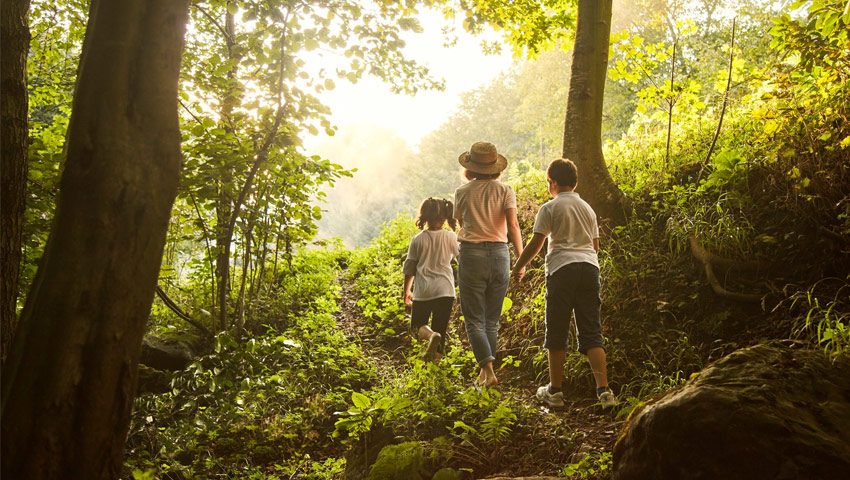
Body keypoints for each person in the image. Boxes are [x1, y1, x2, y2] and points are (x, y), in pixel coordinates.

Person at [511, 158, 618, 409]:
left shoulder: (550, 208)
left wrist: (519, 266)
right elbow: (595, 246)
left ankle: (556, 392)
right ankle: (604, 393)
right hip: (590, 269)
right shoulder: (588, 209)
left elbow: (537, 243)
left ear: (553, 182)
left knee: (557, 329)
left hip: (562, 270)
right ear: (576, 182)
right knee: (591, 330)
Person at [454, 142, 524, 387]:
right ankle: (485, 374)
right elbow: (513, 227)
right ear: (495, 167)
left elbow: (460, 223)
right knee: (491, 320)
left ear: (470, 168)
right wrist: (521, 261)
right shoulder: (506, 190)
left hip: (472, 255)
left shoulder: (462, 192)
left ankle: (488, 372)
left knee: (474, 319)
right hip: (500, 254)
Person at [403, 197, 460, 362]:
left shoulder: (418, 239)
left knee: (417, 325)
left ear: (424, 217)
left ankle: (430, 335)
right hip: (445, 289)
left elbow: (410, 267)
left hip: (423, 290)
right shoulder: (451, 237)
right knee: (441, 327)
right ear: (444, 217)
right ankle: (435, 365)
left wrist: (406, 290)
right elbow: (461, 260)